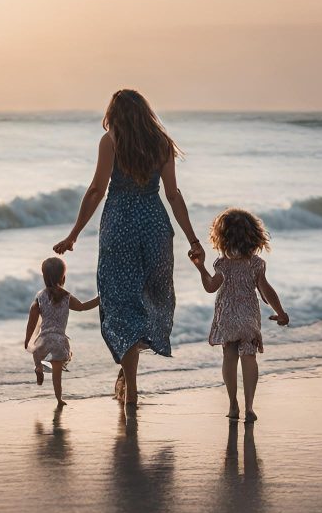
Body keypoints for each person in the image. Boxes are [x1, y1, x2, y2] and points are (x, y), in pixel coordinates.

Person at [54, 89, 203, 409]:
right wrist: (193, 240)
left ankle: (130, 382)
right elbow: (174, 195)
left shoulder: (111, 140)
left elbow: (96, 189)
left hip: (119, 226)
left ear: (115, 113)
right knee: (148, 299)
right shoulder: (161, 143)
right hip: (154, 226)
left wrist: (74, 234)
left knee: (120, 304)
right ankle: (129, 377)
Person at [190, 208, 289, 422]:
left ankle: (233, 404)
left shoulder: (222, 264)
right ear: (254, 237)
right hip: (248, 317)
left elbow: (210, 287)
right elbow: (266, 291)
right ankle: (250, 407)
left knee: (229, 356)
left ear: (221, 238)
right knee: (249, 356)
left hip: (227, 318)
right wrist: (280, 312)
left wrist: (200, 268)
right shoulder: (256, 264)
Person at [24, 256, 99, 406]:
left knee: (37, 352)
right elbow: (83, 307)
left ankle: (38, 366)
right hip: (59, 340)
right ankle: (59, 399)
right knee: (57, 374)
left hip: (43, 339)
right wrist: (100, 299)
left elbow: (32, 319)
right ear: (63, 277)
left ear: (44, 277)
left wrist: (27, 340)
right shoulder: (66, 297)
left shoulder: (40, 296)